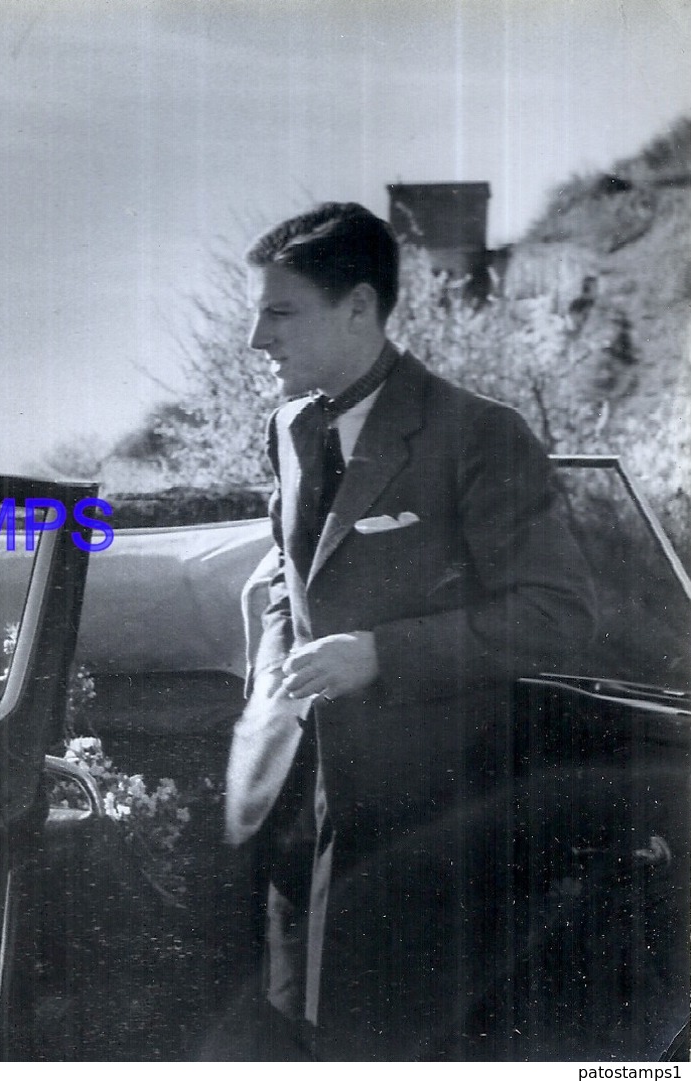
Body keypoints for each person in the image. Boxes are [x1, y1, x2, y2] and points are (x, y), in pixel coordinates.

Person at [221, 204, 595, 1056]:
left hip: (428, 827)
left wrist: (381, 655)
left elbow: (557, 613)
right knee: (295, 1029)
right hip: (301, 817)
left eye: (280, 312)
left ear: (358, 307)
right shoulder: (286, 427)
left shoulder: (480, 433)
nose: (256, 339)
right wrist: (272, 685)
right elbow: (291, 571)